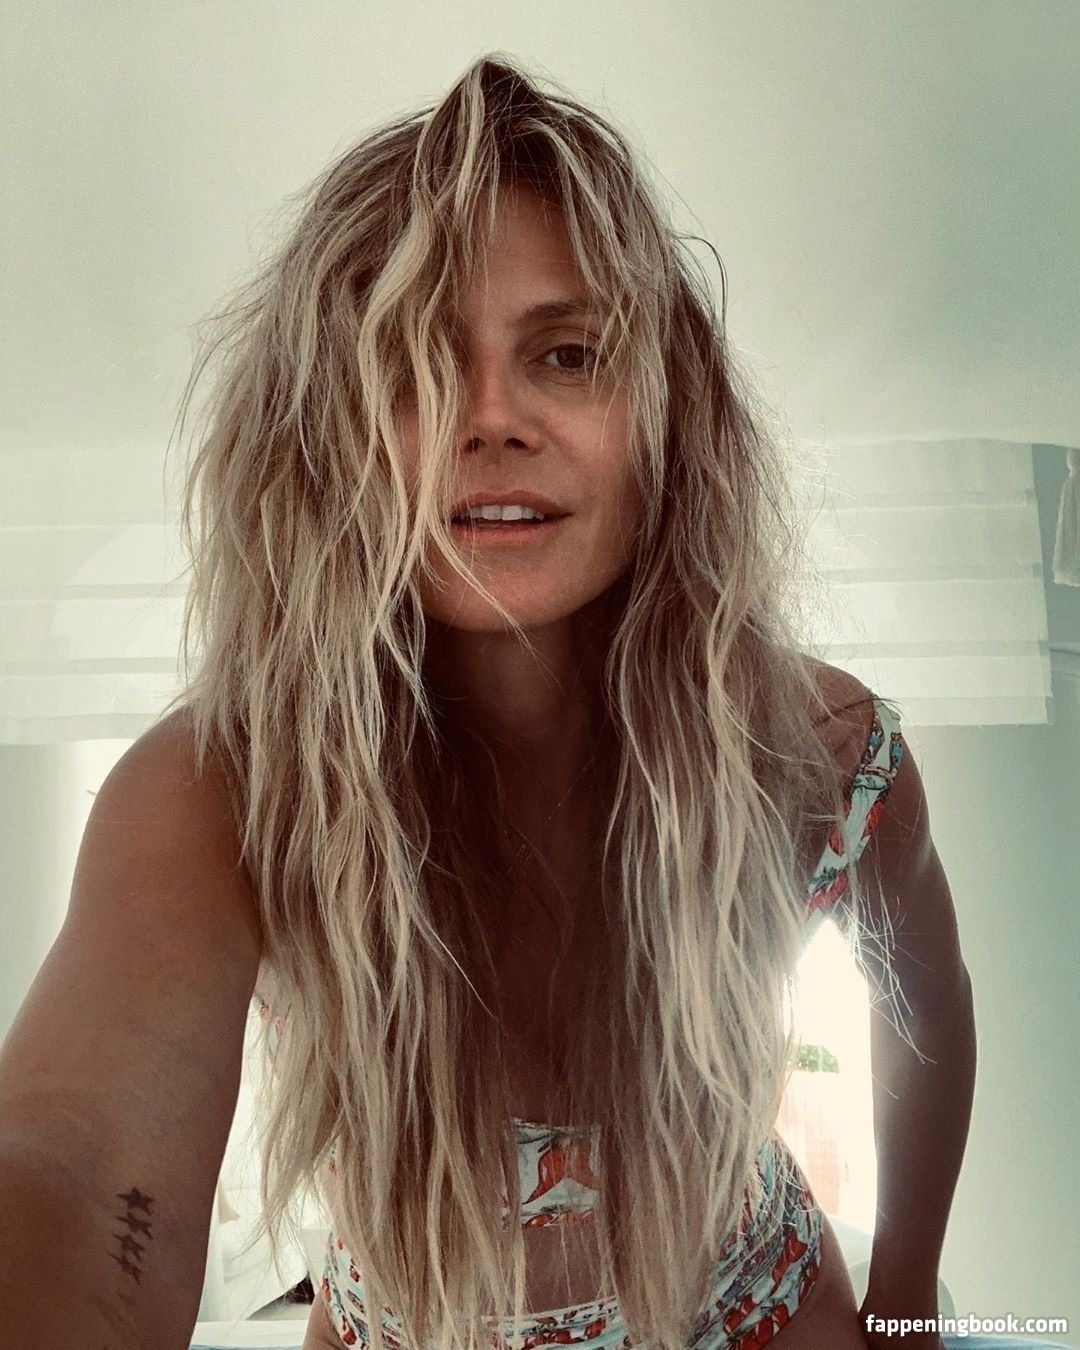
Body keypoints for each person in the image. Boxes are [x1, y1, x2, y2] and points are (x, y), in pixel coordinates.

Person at [0, 54, 976, 1350]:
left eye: (567, 354)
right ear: (324, 437)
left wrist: (906, 1297)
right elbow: (73, 1165)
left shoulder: (823, 753)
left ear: (669, 415)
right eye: (411, 369)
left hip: (761, 1310)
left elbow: (927, 1013)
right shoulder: (225, 791)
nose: (493, 418)